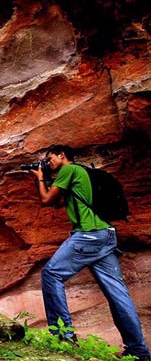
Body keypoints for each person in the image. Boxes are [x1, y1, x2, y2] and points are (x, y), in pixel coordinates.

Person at [31, 144, 150, 360]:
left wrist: (40, 178)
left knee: (51, 274)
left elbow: (47, 200)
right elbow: (59, 203)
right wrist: (47, 178)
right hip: (106, 235)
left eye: (50, 159)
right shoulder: (82, 172)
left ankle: (63, 336)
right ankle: (139, 351)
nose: (49, 163)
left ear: (62, 155)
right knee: (118, 294)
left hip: (89, 235)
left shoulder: (68, 169)